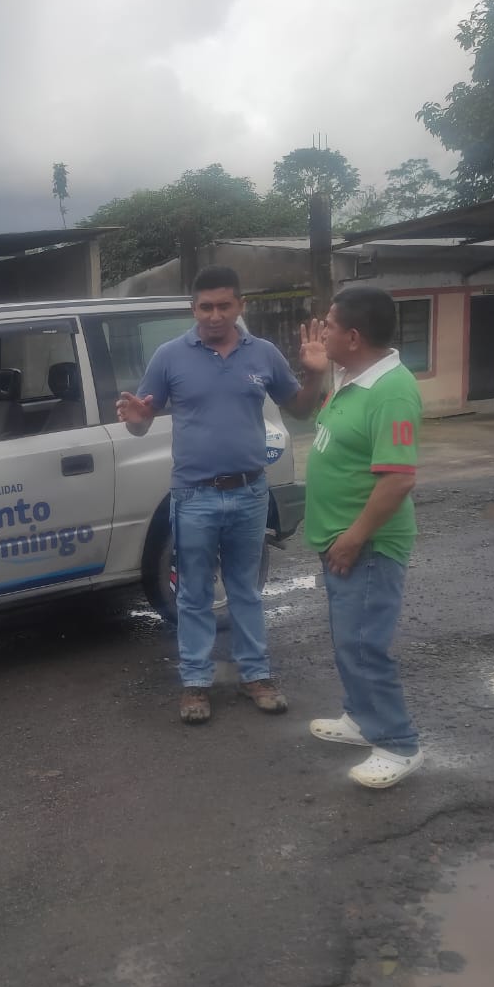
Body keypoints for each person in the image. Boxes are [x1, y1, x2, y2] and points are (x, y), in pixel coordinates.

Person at [117, 266, 328, 723]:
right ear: (193, 309)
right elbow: (141, 421)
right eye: (206, 307)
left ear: (240, 306)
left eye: (224, 306)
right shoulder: (170, 357)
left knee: (245, 590)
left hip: (250, 492)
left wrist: (314, 376)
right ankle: (196, 682)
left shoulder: (264, 354)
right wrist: (136, 419)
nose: (215, 315)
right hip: (194, 495)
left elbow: (300, 410)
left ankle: (256, 675)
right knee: (193, 593)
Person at [304, 286, 424, 789]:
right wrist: (319, 371)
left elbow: (398, 479)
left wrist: (354, 537)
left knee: (364, 645)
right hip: (342, 541)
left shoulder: (391, 391)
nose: (322, 331)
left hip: (367, 545)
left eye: (329, 325)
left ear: (353, 337)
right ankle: (360, 718)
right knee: (348, 640)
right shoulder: (351, 378)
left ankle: (398, 744)